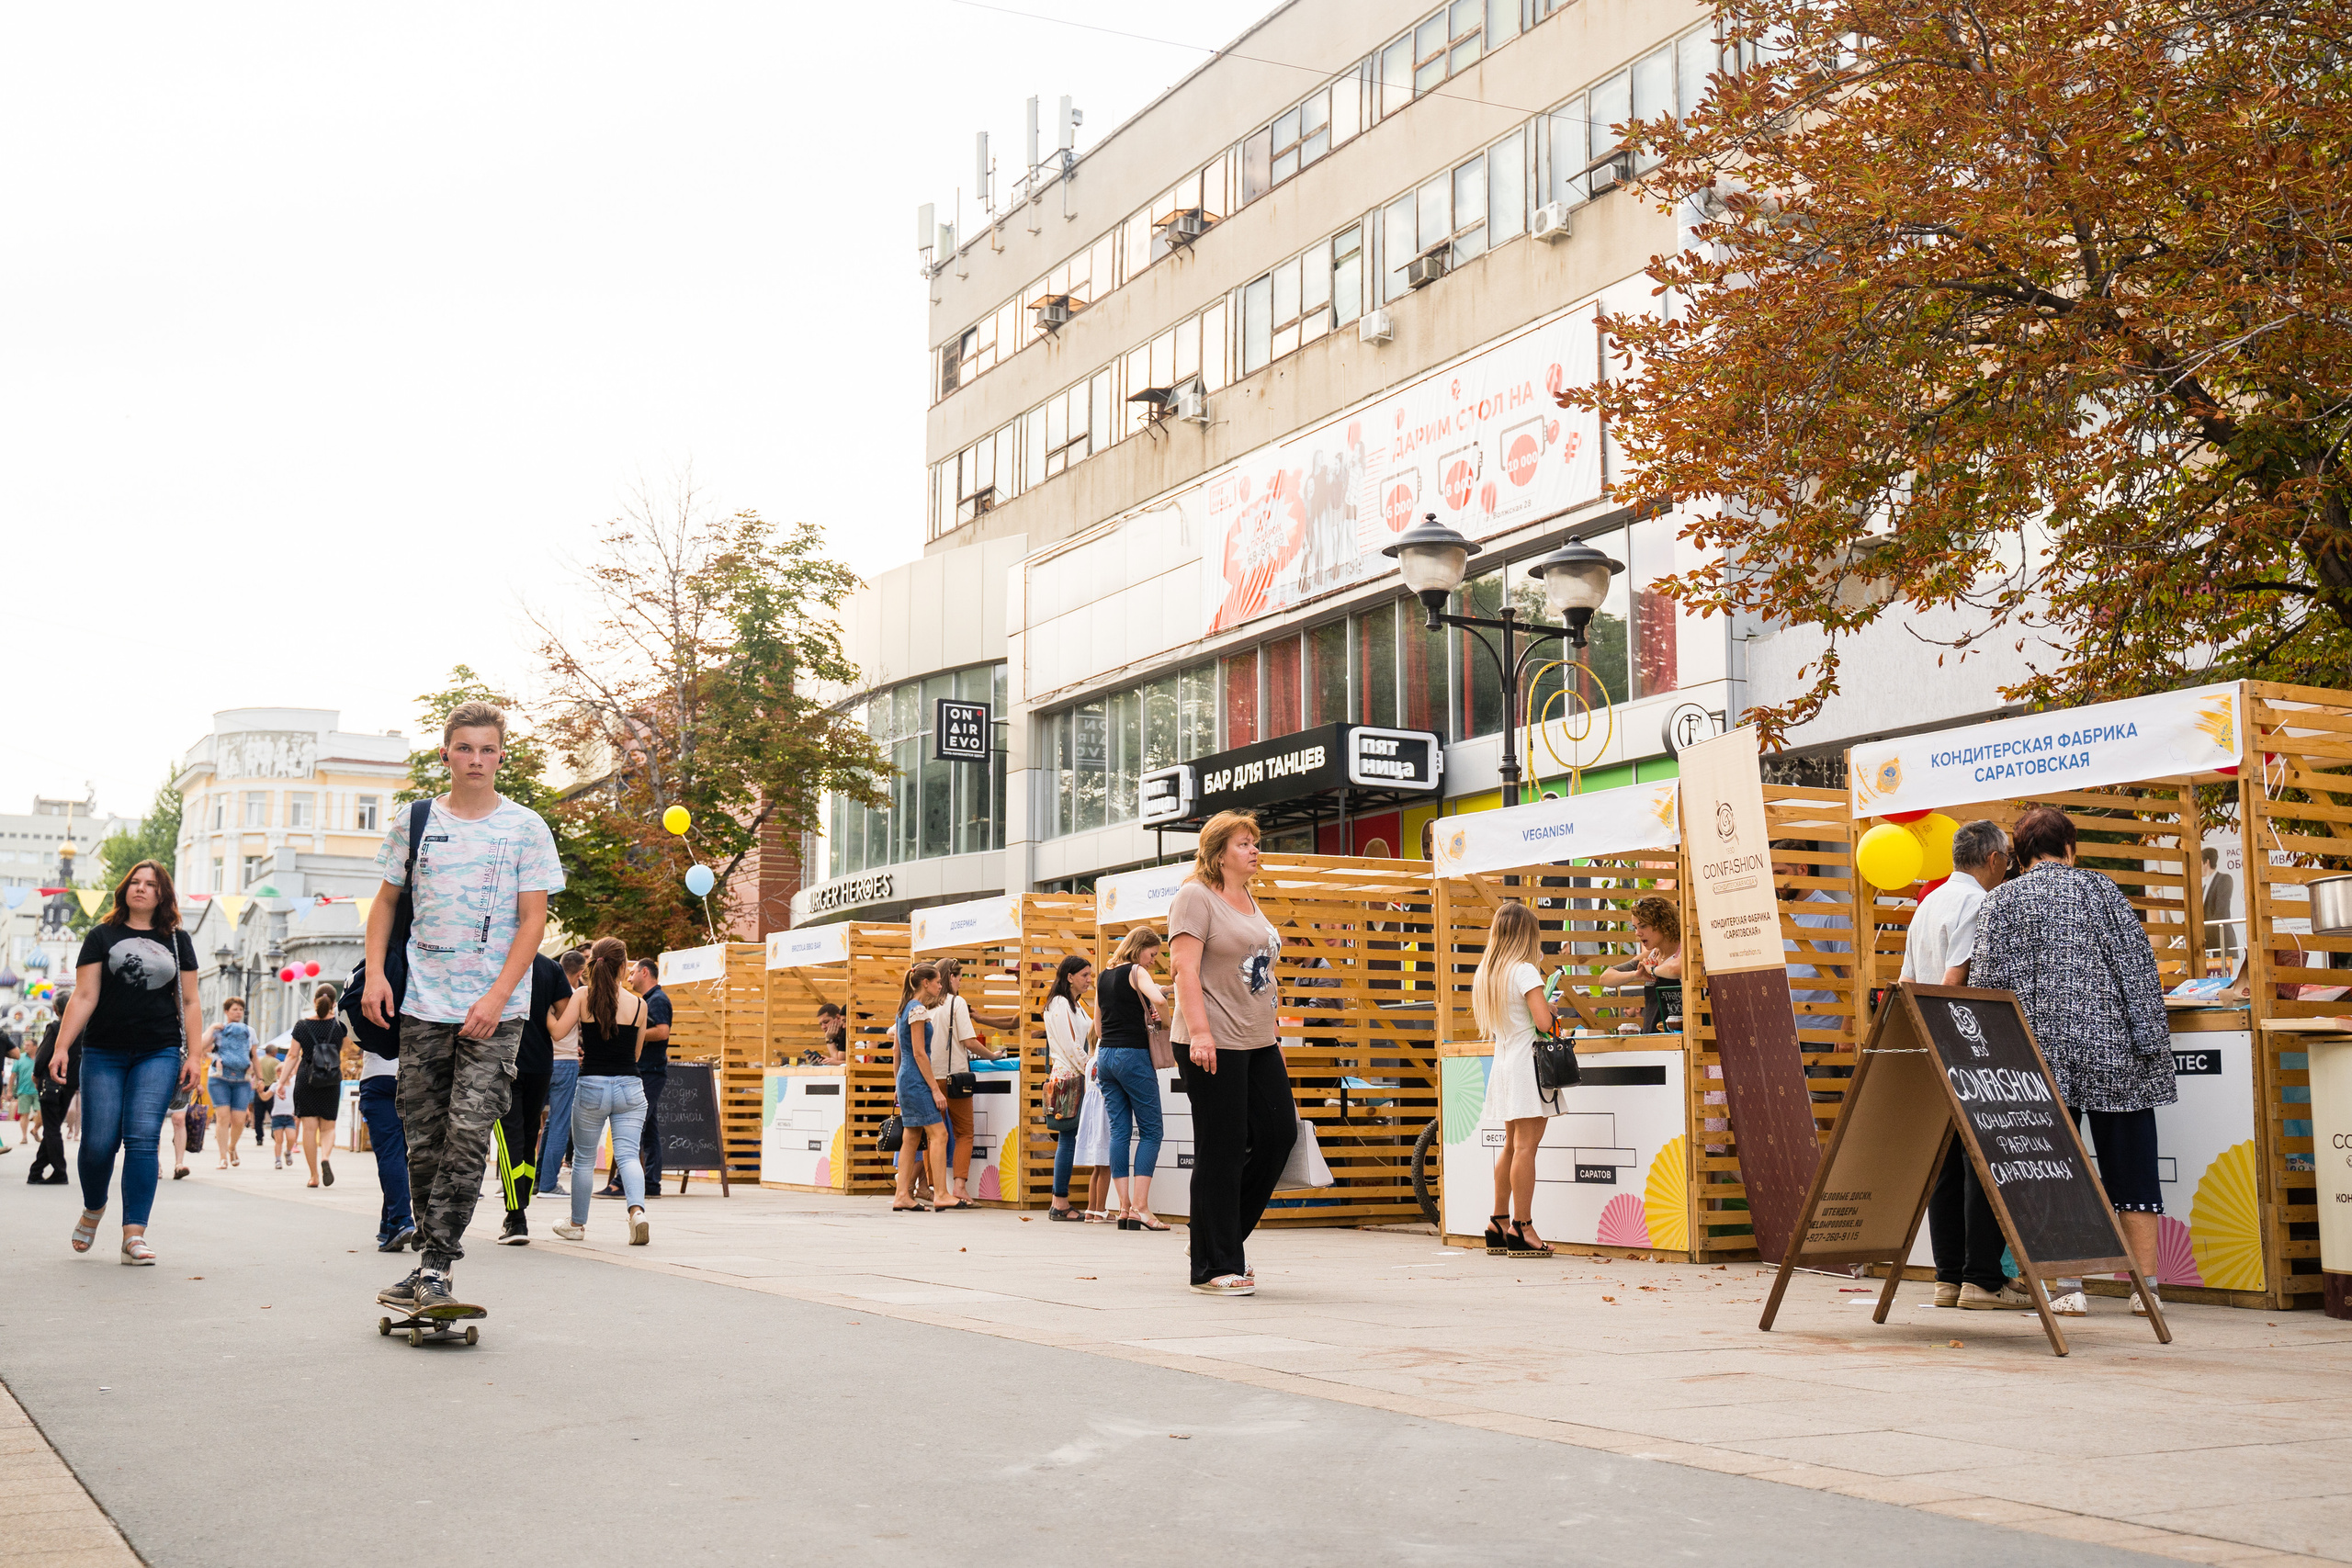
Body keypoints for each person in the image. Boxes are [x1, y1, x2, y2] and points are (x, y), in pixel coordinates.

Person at [364, 699, 565, 1318]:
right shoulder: (415, 819)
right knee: (424, 1140)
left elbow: (535, 919)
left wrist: (500, 994)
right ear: (446, 753)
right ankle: (427, 1261)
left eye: (487, 748)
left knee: (471, 1134)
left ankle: (435, 1265)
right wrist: (374, 974)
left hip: (495, 1009)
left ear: (501, 756)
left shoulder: (526, 827)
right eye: (465, 748)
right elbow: (385, 904)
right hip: (423, 1004)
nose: (476, 759)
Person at [1970, 806, 2175, 1318]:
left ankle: (2068, 1287)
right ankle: (2145, 1287)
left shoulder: (2001, 903)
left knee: (2055, 1166)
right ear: (2070, 847)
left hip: (2038, 1058)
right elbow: (2139, 973)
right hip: (2113, 1054)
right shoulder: (2103, 892)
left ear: (2018, 854)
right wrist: (2152, 1050)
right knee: (2132, 1168)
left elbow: (1985, 989)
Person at [1898, 819, 2030, 1310]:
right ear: (1995, 859)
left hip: (1930, 1045)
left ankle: (1948, 1276)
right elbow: (1956, 979)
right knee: (1984, 1162)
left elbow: (1908, 981)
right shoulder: (1980, 903)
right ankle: (1982, 1278)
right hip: (1967, 1045)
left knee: (1948, 1165)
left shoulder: (1929, 902)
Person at [48, 860, 204, 1265]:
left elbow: (189, 1001)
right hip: (104, 1050)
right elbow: (83, 996)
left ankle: (133, 1235)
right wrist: (62, 1047)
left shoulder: (177, 940)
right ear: (124, 889)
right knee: (99, 1142)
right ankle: (94, 1206)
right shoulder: (103, 935)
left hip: (160, 1050)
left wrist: (196, 1056)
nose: (141, 888)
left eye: (150, 884)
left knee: (142, 1139)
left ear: (162, 894)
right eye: (135, 882)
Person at [1170, 810, 1293, 1297]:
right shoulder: (1194, 897)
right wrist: (1200, 1033)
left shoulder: (1249, 900)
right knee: (1221, 1149)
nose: (1255, 850)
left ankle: (1214, 1234)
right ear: (1218, 852)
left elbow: (1262, 978)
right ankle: (1212, 1265)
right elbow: (1184, 971)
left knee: (1279, 1134)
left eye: (1256, 843)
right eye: (1244, 843)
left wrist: (1275, 1038)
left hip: (1259, 1040)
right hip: (1212, 1040)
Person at [1474, 900, 1566, 1258]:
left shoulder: (1488, 972)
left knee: (1510, 1145)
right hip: (1529, 1065)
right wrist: (1550, 1007)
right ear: (1528, 934)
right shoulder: (1525, 970)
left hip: (1504, 1063)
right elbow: (1544, 1024)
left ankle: (1498, 1220)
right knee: (1527, 1147)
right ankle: (1523, 1227)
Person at [550, 938, 651, 1247]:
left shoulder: (582, 996)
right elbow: (634, 1056)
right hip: (630, 1088)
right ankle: (637, 1212)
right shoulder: (639, 1005)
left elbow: (557, 1031)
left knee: (582, 1159)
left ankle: (577, 1224)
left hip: (592, 1085)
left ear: (594, 963)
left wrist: (542, 1008)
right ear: (623, 967)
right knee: (628, 1155)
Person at [495, 949, 573, 1244]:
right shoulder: (549, 967)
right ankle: (519, 1212)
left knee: (508, 1138)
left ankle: (516, 1217)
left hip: (503, 1061)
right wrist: (543, 1013)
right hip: (540, 1062)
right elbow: (565, 1011)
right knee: (529, 1136)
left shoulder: (497, 959)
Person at [1095, 928, 1171, 1231]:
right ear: (1140, 949)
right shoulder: (1137, 971)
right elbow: (1159, 1003)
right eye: (1152, 954)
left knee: (1119, 1132)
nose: (1153, 960)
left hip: (1106, 1056)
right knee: (1152, 1130)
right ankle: (1142, 1207)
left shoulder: (1104, 974)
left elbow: (1099, 1026)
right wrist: (1163, 1022)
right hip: (1133, 1056)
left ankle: (1124, 1207)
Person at [924, 959, 1009, 1207]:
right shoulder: (956, 1003)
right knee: (964, 1133)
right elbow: (969, 1041)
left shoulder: (924, 1005)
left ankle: (934, 1188)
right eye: (960, 977)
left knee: (934, 1135)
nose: (961, 982)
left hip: (931, 1077)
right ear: (951, 977)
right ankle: (959, 1186)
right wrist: (993, 1056)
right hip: (956, 1079)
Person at [341, 986, 416, 1253]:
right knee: (402, 1155)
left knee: (390, 1154)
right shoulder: (419, 976)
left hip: (378, 1076)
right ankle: (389, 1223)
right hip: (414, 1077)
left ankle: (400, 1221)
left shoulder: (372, 981)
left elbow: (349, 1028)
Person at [603, 958, 673, 1200]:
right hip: (648, 1070)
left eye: (632, 973)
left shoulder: (658, 1000)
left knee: (634, 1127)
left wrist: (633, 1033)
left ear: (645, 972)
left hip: (650, 1071)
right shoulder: (648, 1000)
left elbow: (663, 1032)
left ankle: (622, 1182)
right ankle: (651, 1183)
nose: (629, 978)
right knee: (650, 1129)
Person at [890, 962, 950, 1213]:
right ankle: (942, 1194)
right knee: (940, 1134)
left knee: (911, 1137)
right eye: (937, 982)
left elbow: (897, 1051)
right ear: (925, 983)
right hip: (917, 1080)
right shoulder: (918, 1010)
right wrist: (935, 1089)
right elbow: (918, 1053)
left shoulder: (904, 1008)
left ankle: (902, 1194)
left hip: (906, 1079)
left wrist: (897, 1083)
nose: (940, 985)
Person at [1043, 954, 1096, 1220]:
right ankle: (1059, 1201)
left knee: (1068, 1138)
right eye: (1085, 975)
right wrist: (1092, 1068)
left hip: (1073, 1075)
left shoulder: (1074, 1003)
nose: (1089, 979)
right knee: (1067, 1138)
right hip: (1070, 1077)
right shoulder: (1062, 1003)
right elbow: (1070, 1045)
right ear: (1070, 977)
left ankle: (1060, 1200)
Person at [535, 949, 588, 1199]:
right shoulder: (573, 994)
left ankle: (535, 1180)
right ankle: (547, 1183)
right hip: (565, 1061)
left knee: (539, 1124)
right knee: (558, 1123)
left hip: (543, 1060)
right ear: (579, 972)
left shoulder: (544, 981)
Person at [1594, 897, 1684, 1032]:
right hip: (1652, 1037)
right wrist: (1636, 975)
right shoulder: (1652, 955)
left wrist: (1653, 970)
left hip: (1680, 1040)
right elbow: (1605, 978)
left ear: (1662, 923)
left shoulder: (1683, 950)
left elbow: (1676, 969)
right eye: (1635, 927)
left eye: (1643, 926)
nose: (1637, 933)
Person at [288, 986, 345, 1188]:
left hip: (307, 1079)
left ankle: (313, 1176)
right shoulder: (339, 1026)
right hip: (331, 1079)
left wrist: (282, 1081)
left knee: (309, 1130)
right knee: (328, 1127)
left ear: (314, 1001)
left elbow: (292, 1055)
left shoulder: (302, 1026)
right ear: (334, 1003)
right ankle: (326, 1158)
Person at [26, 999, 75, 1185]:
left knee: (52, 1128)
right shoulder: (82, 1028)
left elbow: (44, 1054)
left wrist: (37, 1074)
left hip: (51, 1082)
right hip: (70, 1082)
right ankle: (36, 1171)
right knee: (53, 1127)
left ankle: (60, 1171)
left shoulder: (56, 1027)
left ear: (55, 1009)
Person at [203, 998, 256, 1168]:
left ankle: (232, 1147)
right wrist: (212, 1028)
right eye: (234, 1009)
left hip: (242, 1079)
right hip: (218, 1078)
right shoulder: (219, 1029)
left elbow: (254, 1056)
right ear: (226, 1011)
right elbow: (201, 1045)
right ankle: (222, 1156)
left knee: (239, 1119)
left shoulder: (249, 1031)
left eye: (241, 1009)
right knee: (223, 1117)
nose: (238, 1012)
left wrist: (260, 1078)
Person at [803, 1002, 847, 1066]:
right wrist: (826, 1061)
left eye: (826, 1022)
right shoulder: (836, 1035)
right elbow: (838, 1062)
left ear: (838, 1018)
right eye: (821, 1024)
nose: (823, 1027)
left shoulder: (845, 1032)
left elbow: (839, 1061)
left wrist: (829, 1040)